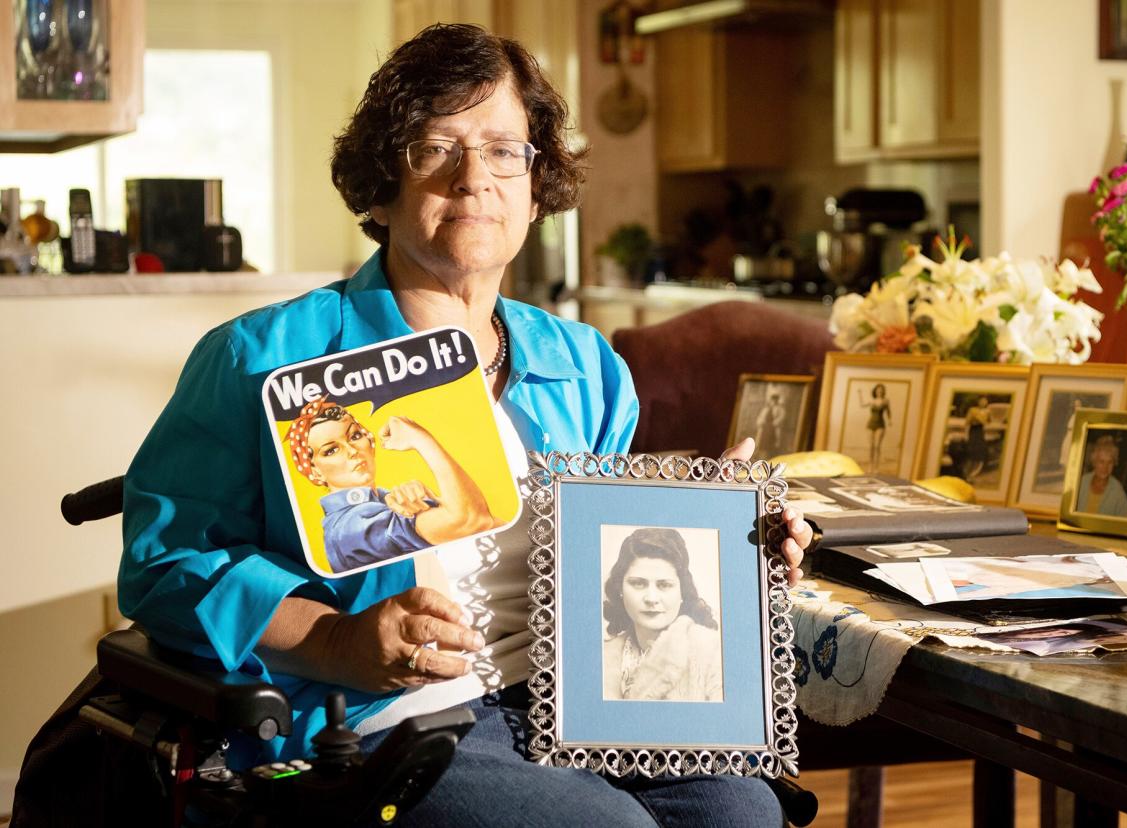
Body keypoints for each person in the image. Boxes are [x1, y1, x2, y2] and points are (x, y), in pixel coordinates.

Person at [118, 24, 812, 826]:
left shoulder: (584, 364)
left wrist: (734, 548)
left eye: (504, 150)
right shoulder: (261, 357)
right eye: (435, 149)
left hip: (581, 709)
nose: (474, 177)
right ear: (380, 188)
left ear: (536, 181)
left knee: (742, 815)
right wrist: (335, 639)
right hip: (389, 722)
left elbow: (613, 570)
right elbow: (164, 566)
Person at [286, 398, 495, 573]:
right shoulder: (351, 526)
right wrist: (421, 439)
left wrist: (434, 502)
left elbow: (486, 522)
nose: (352, 450)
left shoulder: (382, 501)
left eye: (355, 436)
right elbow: (471, 520)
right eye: (331, 450)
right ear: (314, 470)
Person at [601, 528, 723, 702]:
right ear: (620, 589)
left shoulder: (712, 653)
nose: (651, 598)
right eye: (638, 583)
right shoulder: (602, 657)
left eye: (664, 585)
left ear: (682, 592)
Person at [1075, 434, 1127, 516]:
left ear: (1114, 463)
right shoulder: (1081, 482)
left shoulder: (1118, 492)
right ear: (1094, 461)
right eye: (1101, 462)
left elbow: (1123, 522)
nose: (1105, 467)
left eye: (1110, 462)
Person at [859, 383, 890, 473]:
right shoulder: (872, 401)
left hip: (880, 424)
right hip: (871, 424)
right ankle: (870, 465)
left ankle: (876, 467)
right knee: (871, 446)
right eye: (878, 390)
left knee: (877, 446)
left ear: (883, 391)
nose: (879, 391)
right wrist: (860, 394)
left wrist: (890, 420)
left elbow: (888, 411)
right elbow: (862, 404)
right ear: (875, 391)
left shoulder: (885, 401)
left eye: (881, 390)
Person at [753, 387, 787, 459]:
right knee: (760, 441)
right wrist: (761, 422)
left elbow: (781, 418)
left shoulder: (780, 409)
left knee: (772, 443)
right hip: (765, 427)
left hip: (773, 428)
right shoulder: (766, 409)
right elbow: (760, 417)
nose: (773, 402)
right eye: (772, 400)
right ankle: (759, 455)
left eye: (775, 400)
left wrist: (774, 423)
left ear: (777, 401)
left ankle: (769, 456)